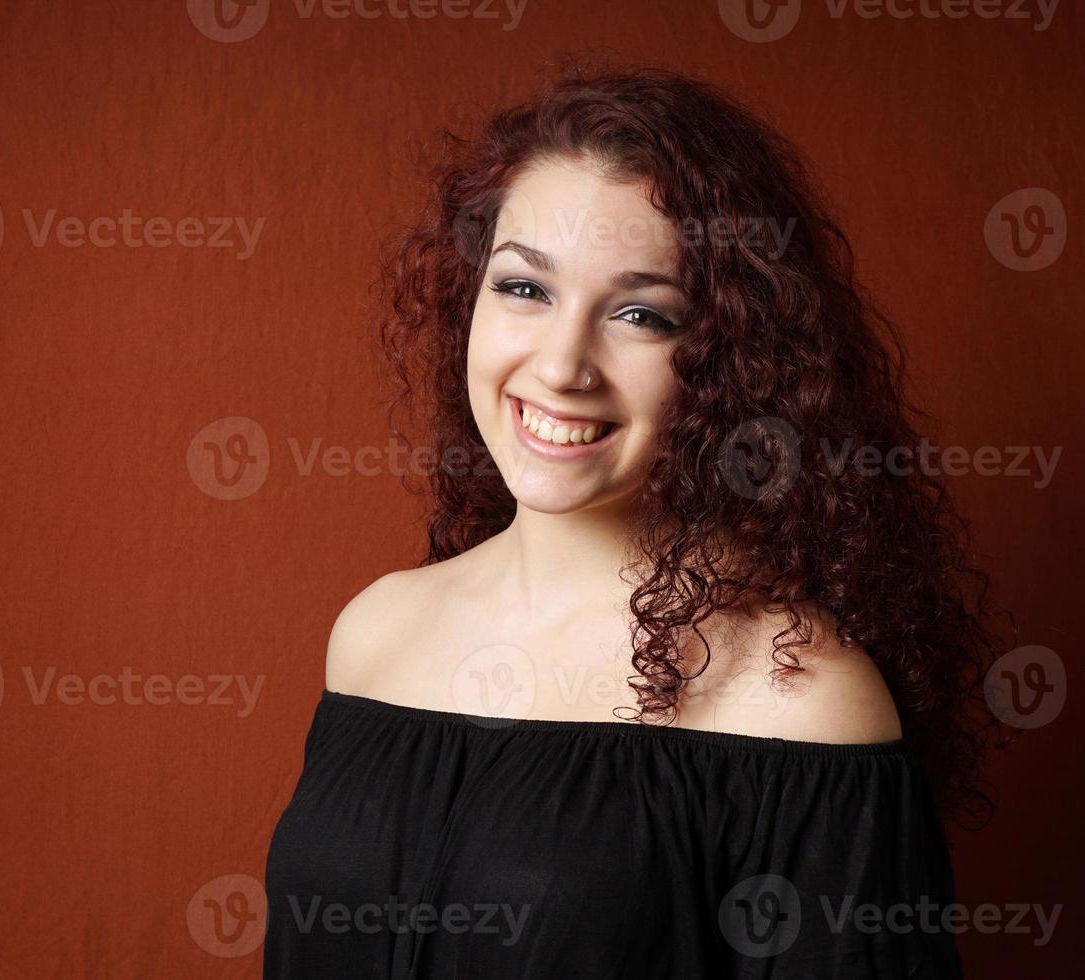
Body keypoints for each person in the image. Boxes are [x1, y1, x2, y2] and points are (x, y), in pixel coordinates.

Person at [264, 64, 994, 978]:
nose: (563, 364)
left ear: (731, 359)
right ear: (469, 301)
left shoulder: (799, 699)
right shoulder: (375, 633)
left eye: (641, 314)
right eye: (525, 289)